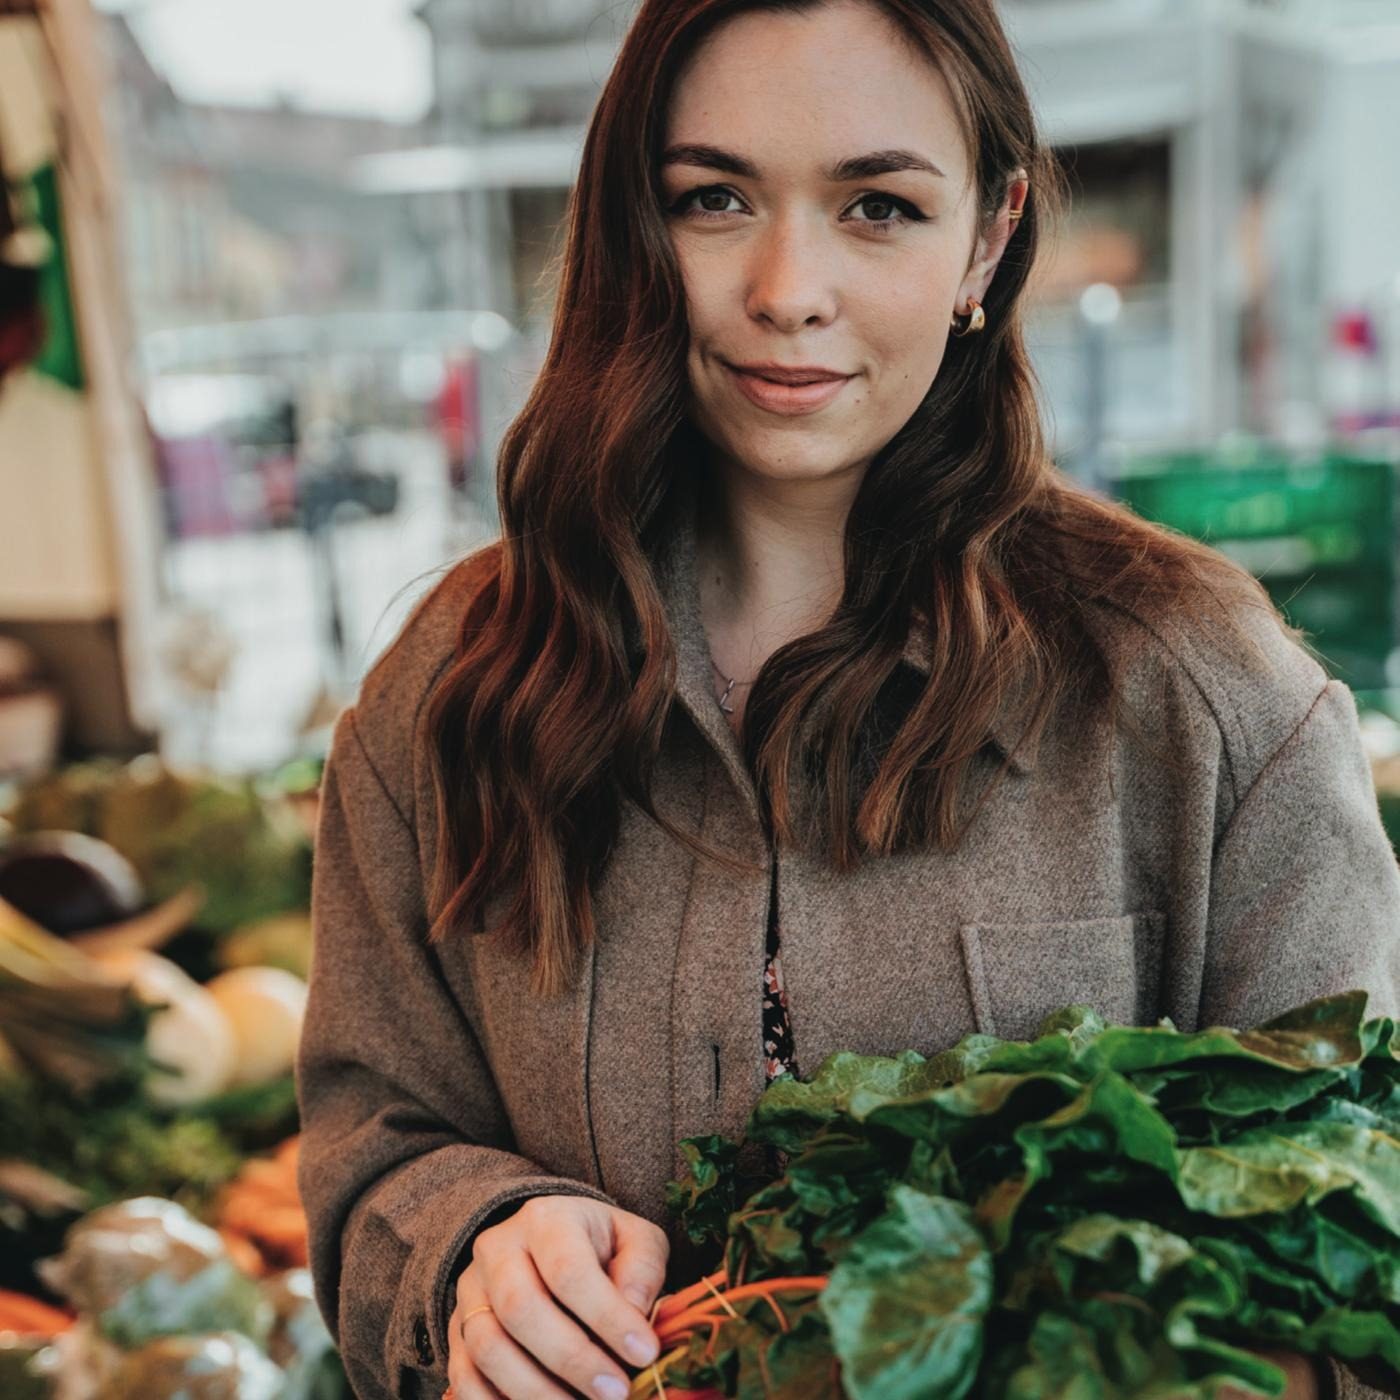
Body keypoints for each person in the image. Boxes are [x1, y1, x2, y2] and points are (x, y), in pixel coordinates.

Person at [294, 1, 1400, 1398]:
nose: (786, 287)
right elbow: (371, 1141)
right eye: (713, 199)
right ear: (635, 226)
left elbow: (1362, 1222)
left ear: (987, 240)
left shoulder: (1207, 697)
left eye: (876, 205)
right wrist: (473, 1247)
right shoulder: (442, 699)